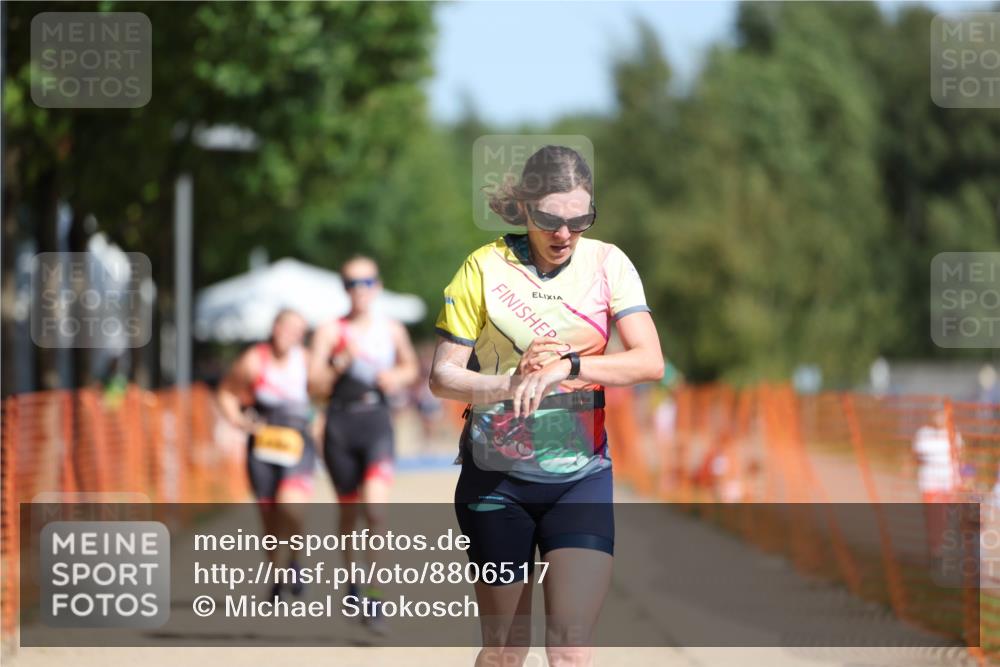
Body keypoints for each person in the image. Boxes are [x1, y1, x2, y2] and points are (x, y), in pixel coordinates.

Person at [429, 145, 664, 666]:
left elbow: (650, 362)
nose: (564, 234)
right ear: (526, 208)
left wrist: (570, 368)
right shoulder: (484, 268)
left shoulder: (608, 264)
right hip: (496, 482)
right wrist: (512, 381)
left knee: (571, 651)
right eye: (550, 219)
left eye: (579, 220)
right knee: (506, 652)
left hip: (580, 476)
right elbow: (443, 378)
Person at [308, 255, 419, 630]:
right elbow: (313, 385)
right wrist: (338, 364)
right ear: (344, 289)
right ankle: (352, 579)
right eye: (353, 283)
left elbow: (411, 368)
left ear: (378, 286)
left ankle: (374, 595)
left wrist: (397, 377)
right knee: (348, 514)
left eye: (367, 282)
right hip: (340, 425)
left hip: (377, 423)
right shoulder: (329, 331)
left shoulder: (391, 329)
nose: (360, 289)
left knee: (376, 511)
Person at [217, 308, 315, 598]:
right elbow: (226, 393)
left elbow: (324, 391)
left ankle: (296, 561)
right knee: (269, 517)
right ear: (275, 328)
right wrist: (239, 420)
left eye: (298, 331)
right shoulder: (253, 360)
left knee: (291, 507)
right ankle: (277, 576)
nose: (291, 335)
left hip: (297, 443)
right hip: (262, 445)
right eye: (287, 328)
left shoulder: (306, 361)